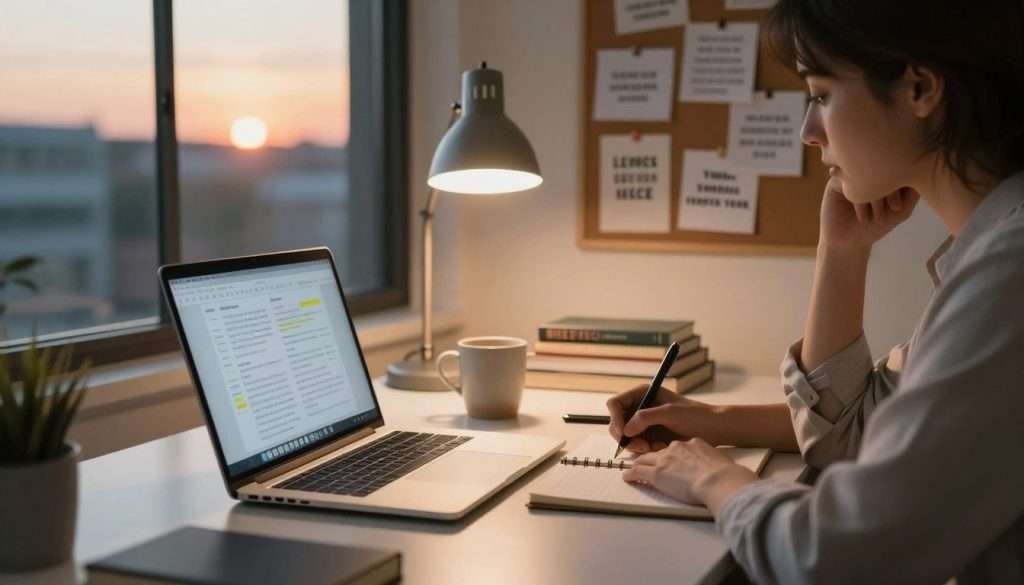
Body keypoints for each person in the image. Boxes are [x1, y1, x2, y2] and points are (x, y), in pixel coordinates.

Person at [606, 1, 1024, 583]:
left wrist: (715, 480)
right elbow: (854, 435)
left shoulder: (1008, 275)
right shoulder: (990, 253)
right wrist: (841, 252)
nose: (807, 131)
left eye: (821, 94)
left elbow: (836, 559)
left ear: (920, 89)